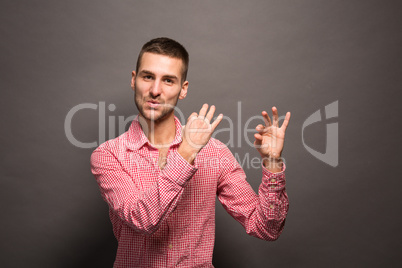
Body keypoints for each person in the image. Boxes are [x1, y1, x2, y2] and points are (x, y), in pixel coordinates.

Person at [91, 37, 291, 268]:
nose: (155, 90)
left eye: (168, 80)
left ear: (183, 89)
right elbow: (143, 219)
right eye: (148, 77)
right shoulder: (108, 155)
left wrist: (273, 162)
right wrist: (186, 153)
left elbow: (266, 228)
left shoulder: (215, 152)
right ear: (134, 80)